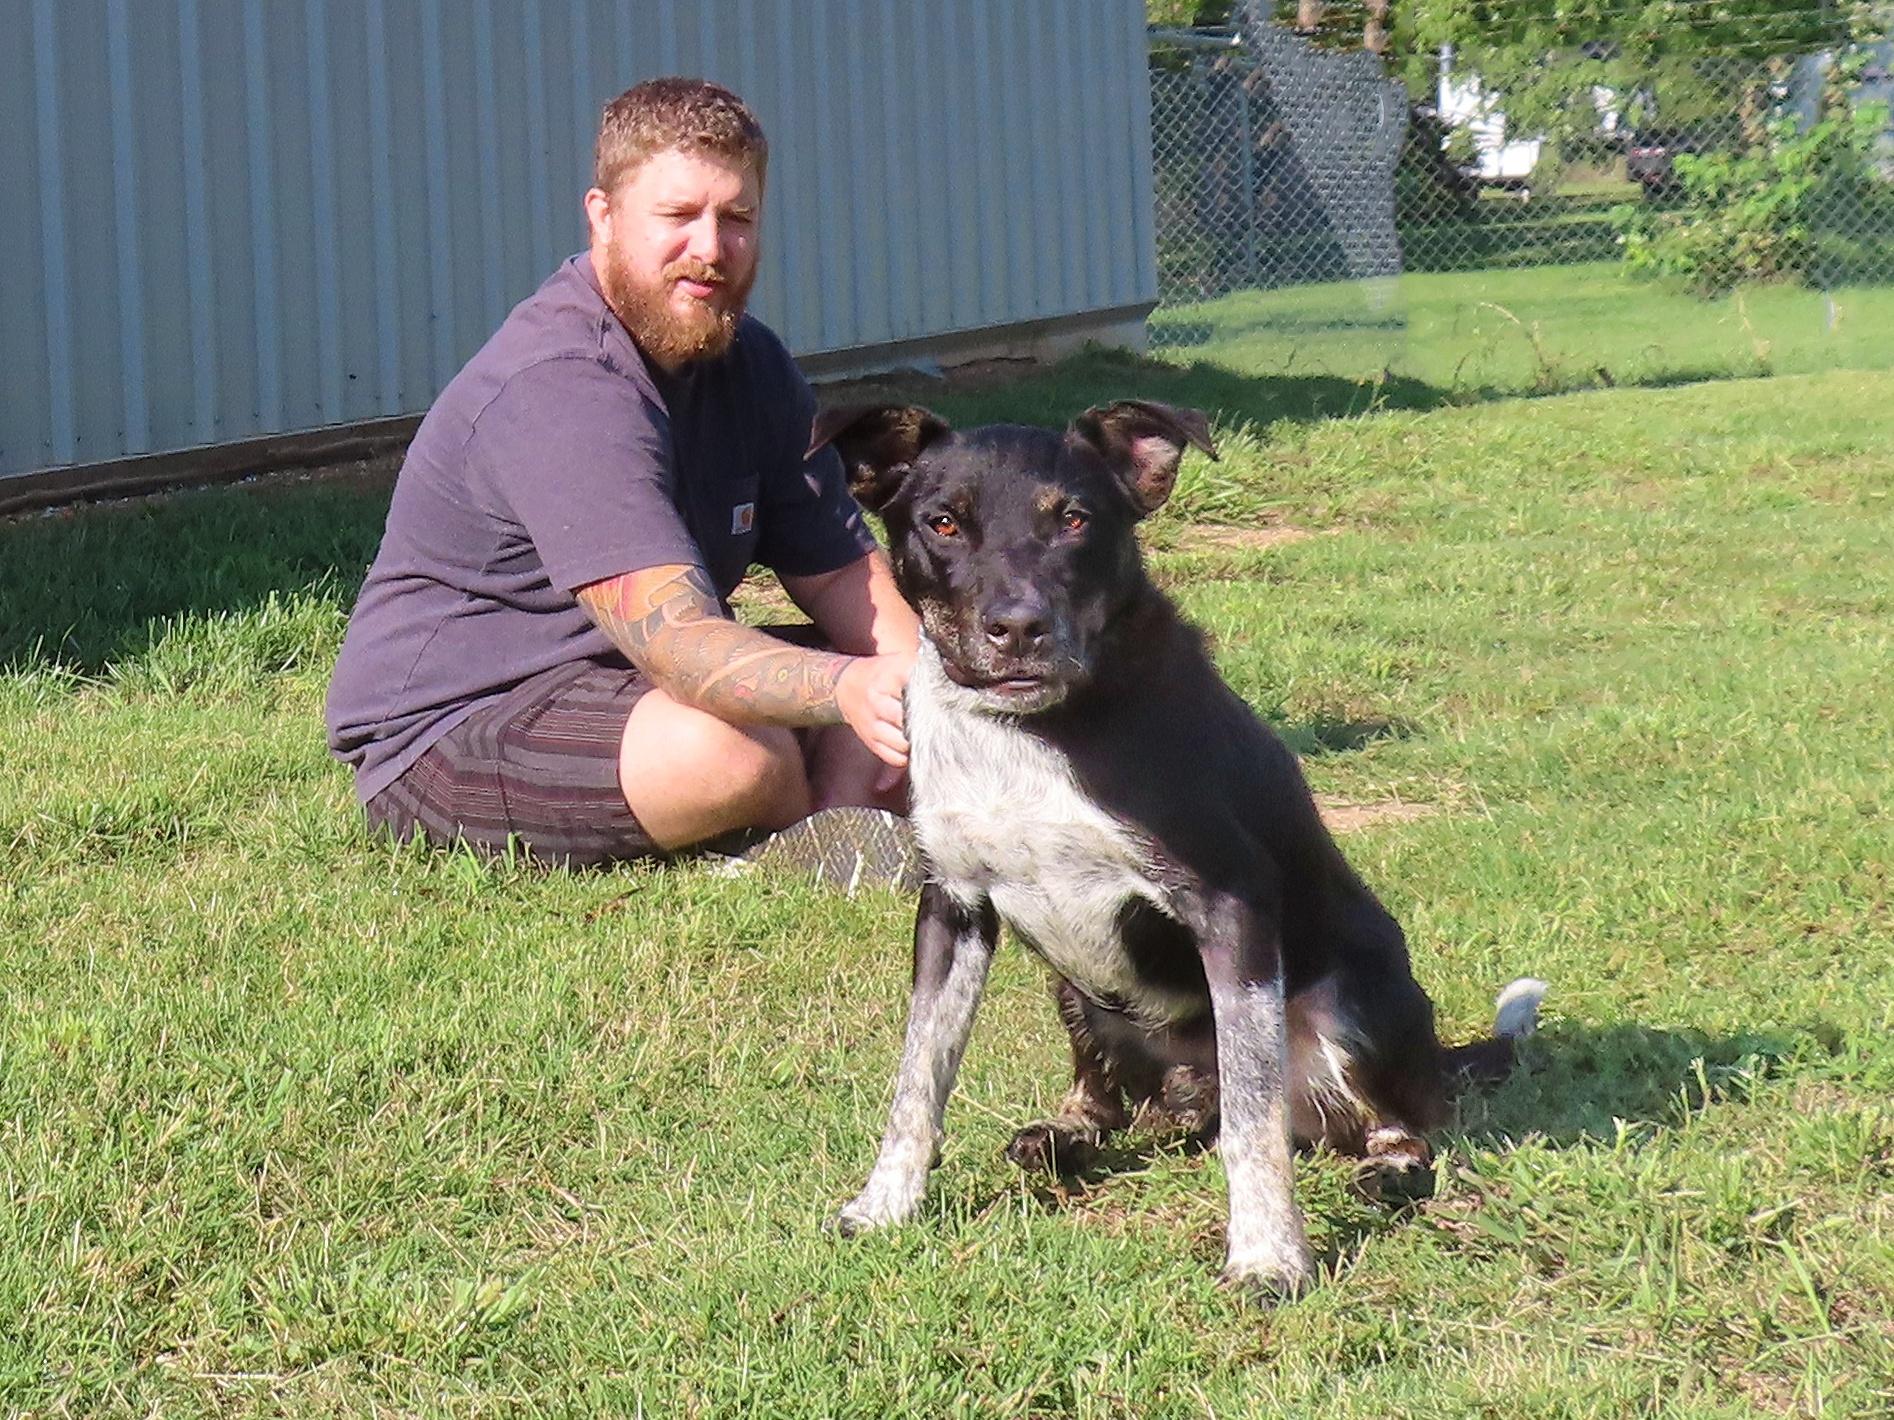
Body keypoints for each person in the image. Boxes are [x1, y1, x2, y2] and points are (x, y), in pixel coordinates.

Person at [325, 78, 920, 881]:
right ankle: (815, 835)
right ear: (603, 217)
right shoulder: (563, 384)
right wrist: (847, 689)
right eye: (677, 217)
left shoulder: (754, 365)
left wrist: (929, 691)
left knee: (900, 705)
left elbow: (845, 571)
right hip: (456, 724)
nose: (711, 249)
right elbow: (676, 647)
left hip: (619, 685)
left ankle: (834, 836)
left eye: (737, 218)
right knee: (740, 747)